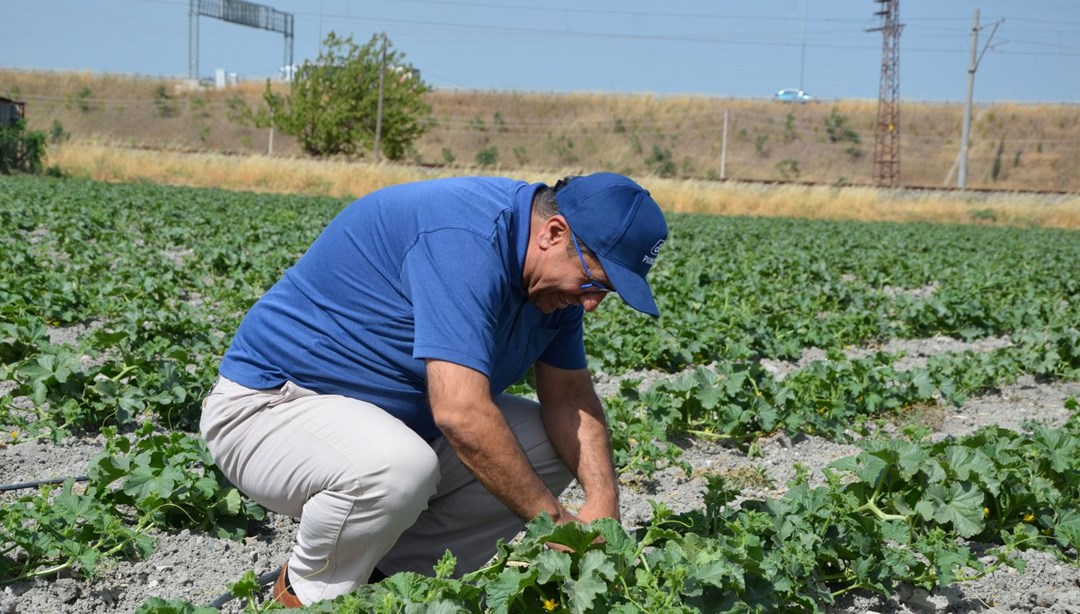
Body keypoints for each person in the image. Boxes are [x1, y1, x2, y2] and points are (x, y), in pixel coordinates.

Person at [199, 172, 668, 607]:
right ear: (553, 233)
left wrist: (603, 504)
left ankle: (383, 584)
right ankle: (304, 596)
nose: (590, 304)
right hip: (270, 409)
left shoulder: (553, 284)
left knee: (545, 444)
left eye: (603, 292)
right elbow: (460, 414)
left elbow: (569, 397)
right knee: (396, 466)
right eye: (592, 283)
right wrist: (557, 527)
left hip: (392, 426)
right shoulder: (464, 239)